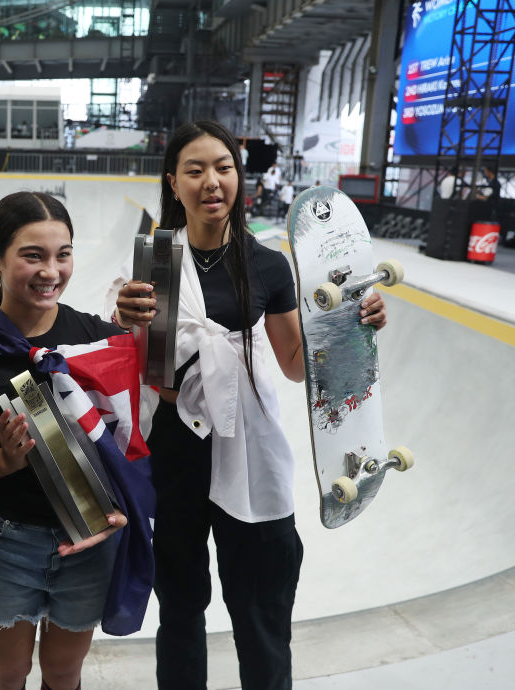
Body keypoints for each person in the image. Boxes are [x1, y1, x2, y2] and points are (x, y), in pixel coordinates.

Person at [109, 120, 388, 690]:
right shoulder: (155, 260)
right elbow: (138, 360)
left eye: (224, 168)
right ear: (174, 182)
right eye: (195, 170)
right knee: (180, 604)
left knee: (261, 603)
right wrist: (122, 319)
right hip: (175, 446)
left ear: (239, 177)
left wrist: (350, 327)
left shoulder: (267, 265)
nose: (212, 182)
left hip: (249, 441)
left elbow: (295, 363)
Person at [0, 191, 154, 690]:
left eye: (63, 255)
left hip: (89, 540)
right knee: (8, 672)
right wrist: (5, 460)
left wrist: (126, 505)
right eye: (32, 256)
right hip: (6, 544)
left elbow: (129, 443)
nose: (50, 271)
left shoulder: (99, 339)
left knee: (63, 671)